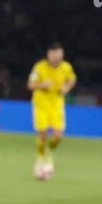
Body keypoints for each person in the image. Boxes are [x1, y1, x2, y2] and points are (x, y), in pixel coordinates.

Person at [27, 43, 76, 180]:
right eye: (54, 55)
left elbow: (72, 79)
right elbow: (30, 85)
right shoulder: (39, 67)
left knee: (58, 136)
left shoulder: (66, 67)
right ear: (49, 54)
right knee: (42, 134)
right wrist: (42, 85)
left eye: (59, 55)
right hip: (41, 104)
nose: (57, 58)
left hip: (57, 104)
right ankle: (42, 159)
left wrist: (66, 87)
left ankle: (48, 153)